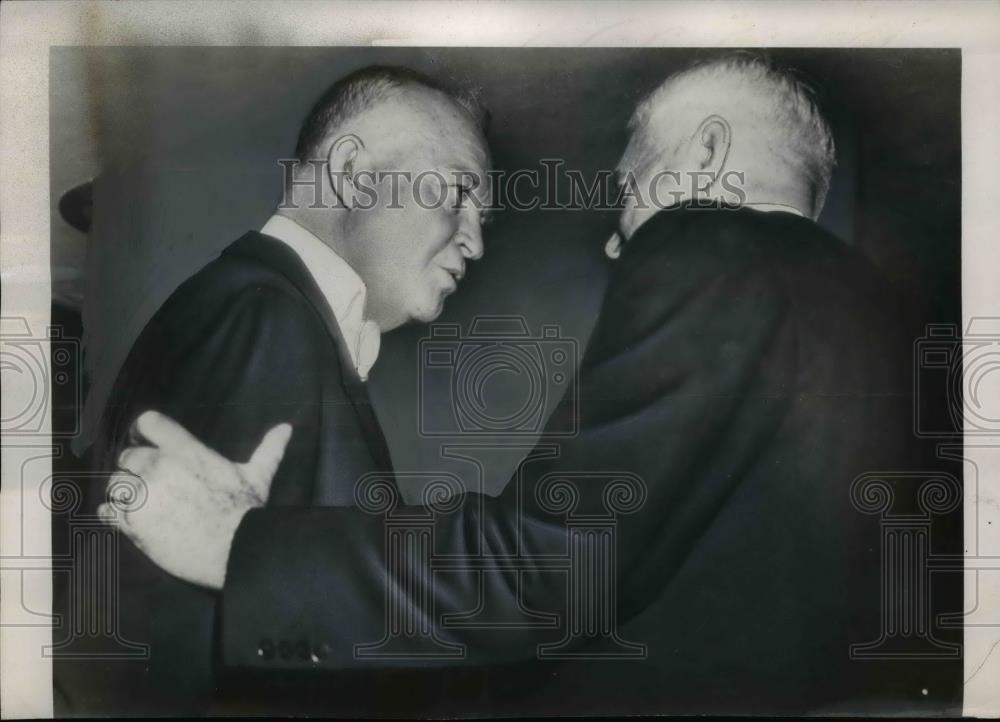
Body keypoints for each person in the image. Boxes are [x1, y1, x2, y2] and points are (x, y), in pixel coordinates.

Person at [105, 54, 954, 714]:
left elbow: (555, 564)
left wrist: (237, 549)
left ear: (707, 153)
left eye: (629, 190)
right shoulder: (893, 318)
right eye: (460, 194)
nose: (623, 246)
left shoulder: (709, 249)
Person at [54, 64, 491, 714]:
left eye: (483, 217)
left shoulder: (264, 310)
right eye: (456, 195)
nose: (476, 242)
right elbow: (161, 651)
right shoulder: (268, 321)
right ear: (350, 171)